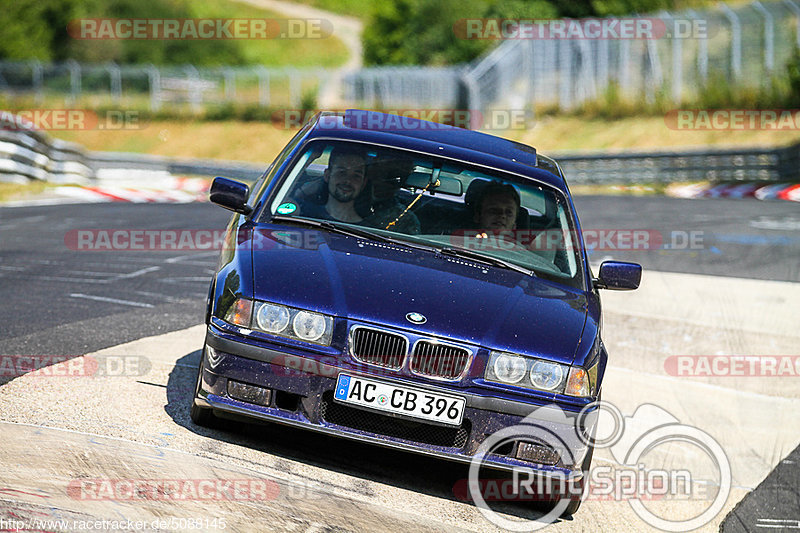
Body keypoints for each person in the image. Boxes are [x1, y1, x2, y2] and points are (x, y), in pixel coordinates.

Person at [299, 146, 368, 223]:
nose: (348, 181)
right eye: (341, 172)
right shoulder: (303, 214)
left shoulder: (371, 230)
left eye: (356, 176)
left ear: (363, 183)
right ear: (327, 176)